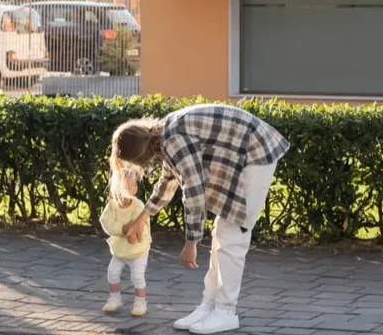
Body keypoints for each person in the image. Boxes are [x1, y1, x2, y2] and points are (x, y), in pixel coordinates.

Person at [110, 104, 289, 334]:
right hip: (244, 153)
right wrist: (143, 216)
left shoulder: (172, 139)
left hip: (256, 153)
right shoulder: (164, 135)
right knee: (222, 233)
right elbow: (168, 180)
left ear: (140, 156)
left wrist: (191, 243)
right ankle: (210, 305)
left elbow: (194, 191)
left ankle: (226, 312)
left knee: (233, 236)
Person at [99, 165, 151, 317]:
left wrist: (136, 234)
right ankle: (114, 299)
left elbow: (144, 226)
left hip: (137, 251)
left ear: (134, 190)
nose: (122, 194)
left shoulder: (138, 206)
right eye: (119, 190)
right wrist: (122, 229)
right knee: (112, 273)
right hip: (120, 252)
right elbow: (106, 222)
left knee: (137, 276)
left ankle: (141, 302)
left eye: (127, 189)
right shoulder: (112, 206)